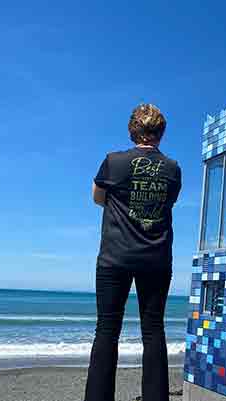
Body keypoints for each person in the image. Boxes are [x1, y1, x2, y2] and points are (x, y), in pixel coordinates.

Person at [85, 104, 182, 401]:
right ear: (161, 133)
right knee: (153, 331)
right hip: (156, 257)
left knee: (107, 329)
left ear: (132, 130)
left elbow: (97, 197)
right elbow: (167, 204)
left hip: (115, 256)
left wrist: (123, 206)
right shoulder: (173, 168)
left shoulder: (113, 162)